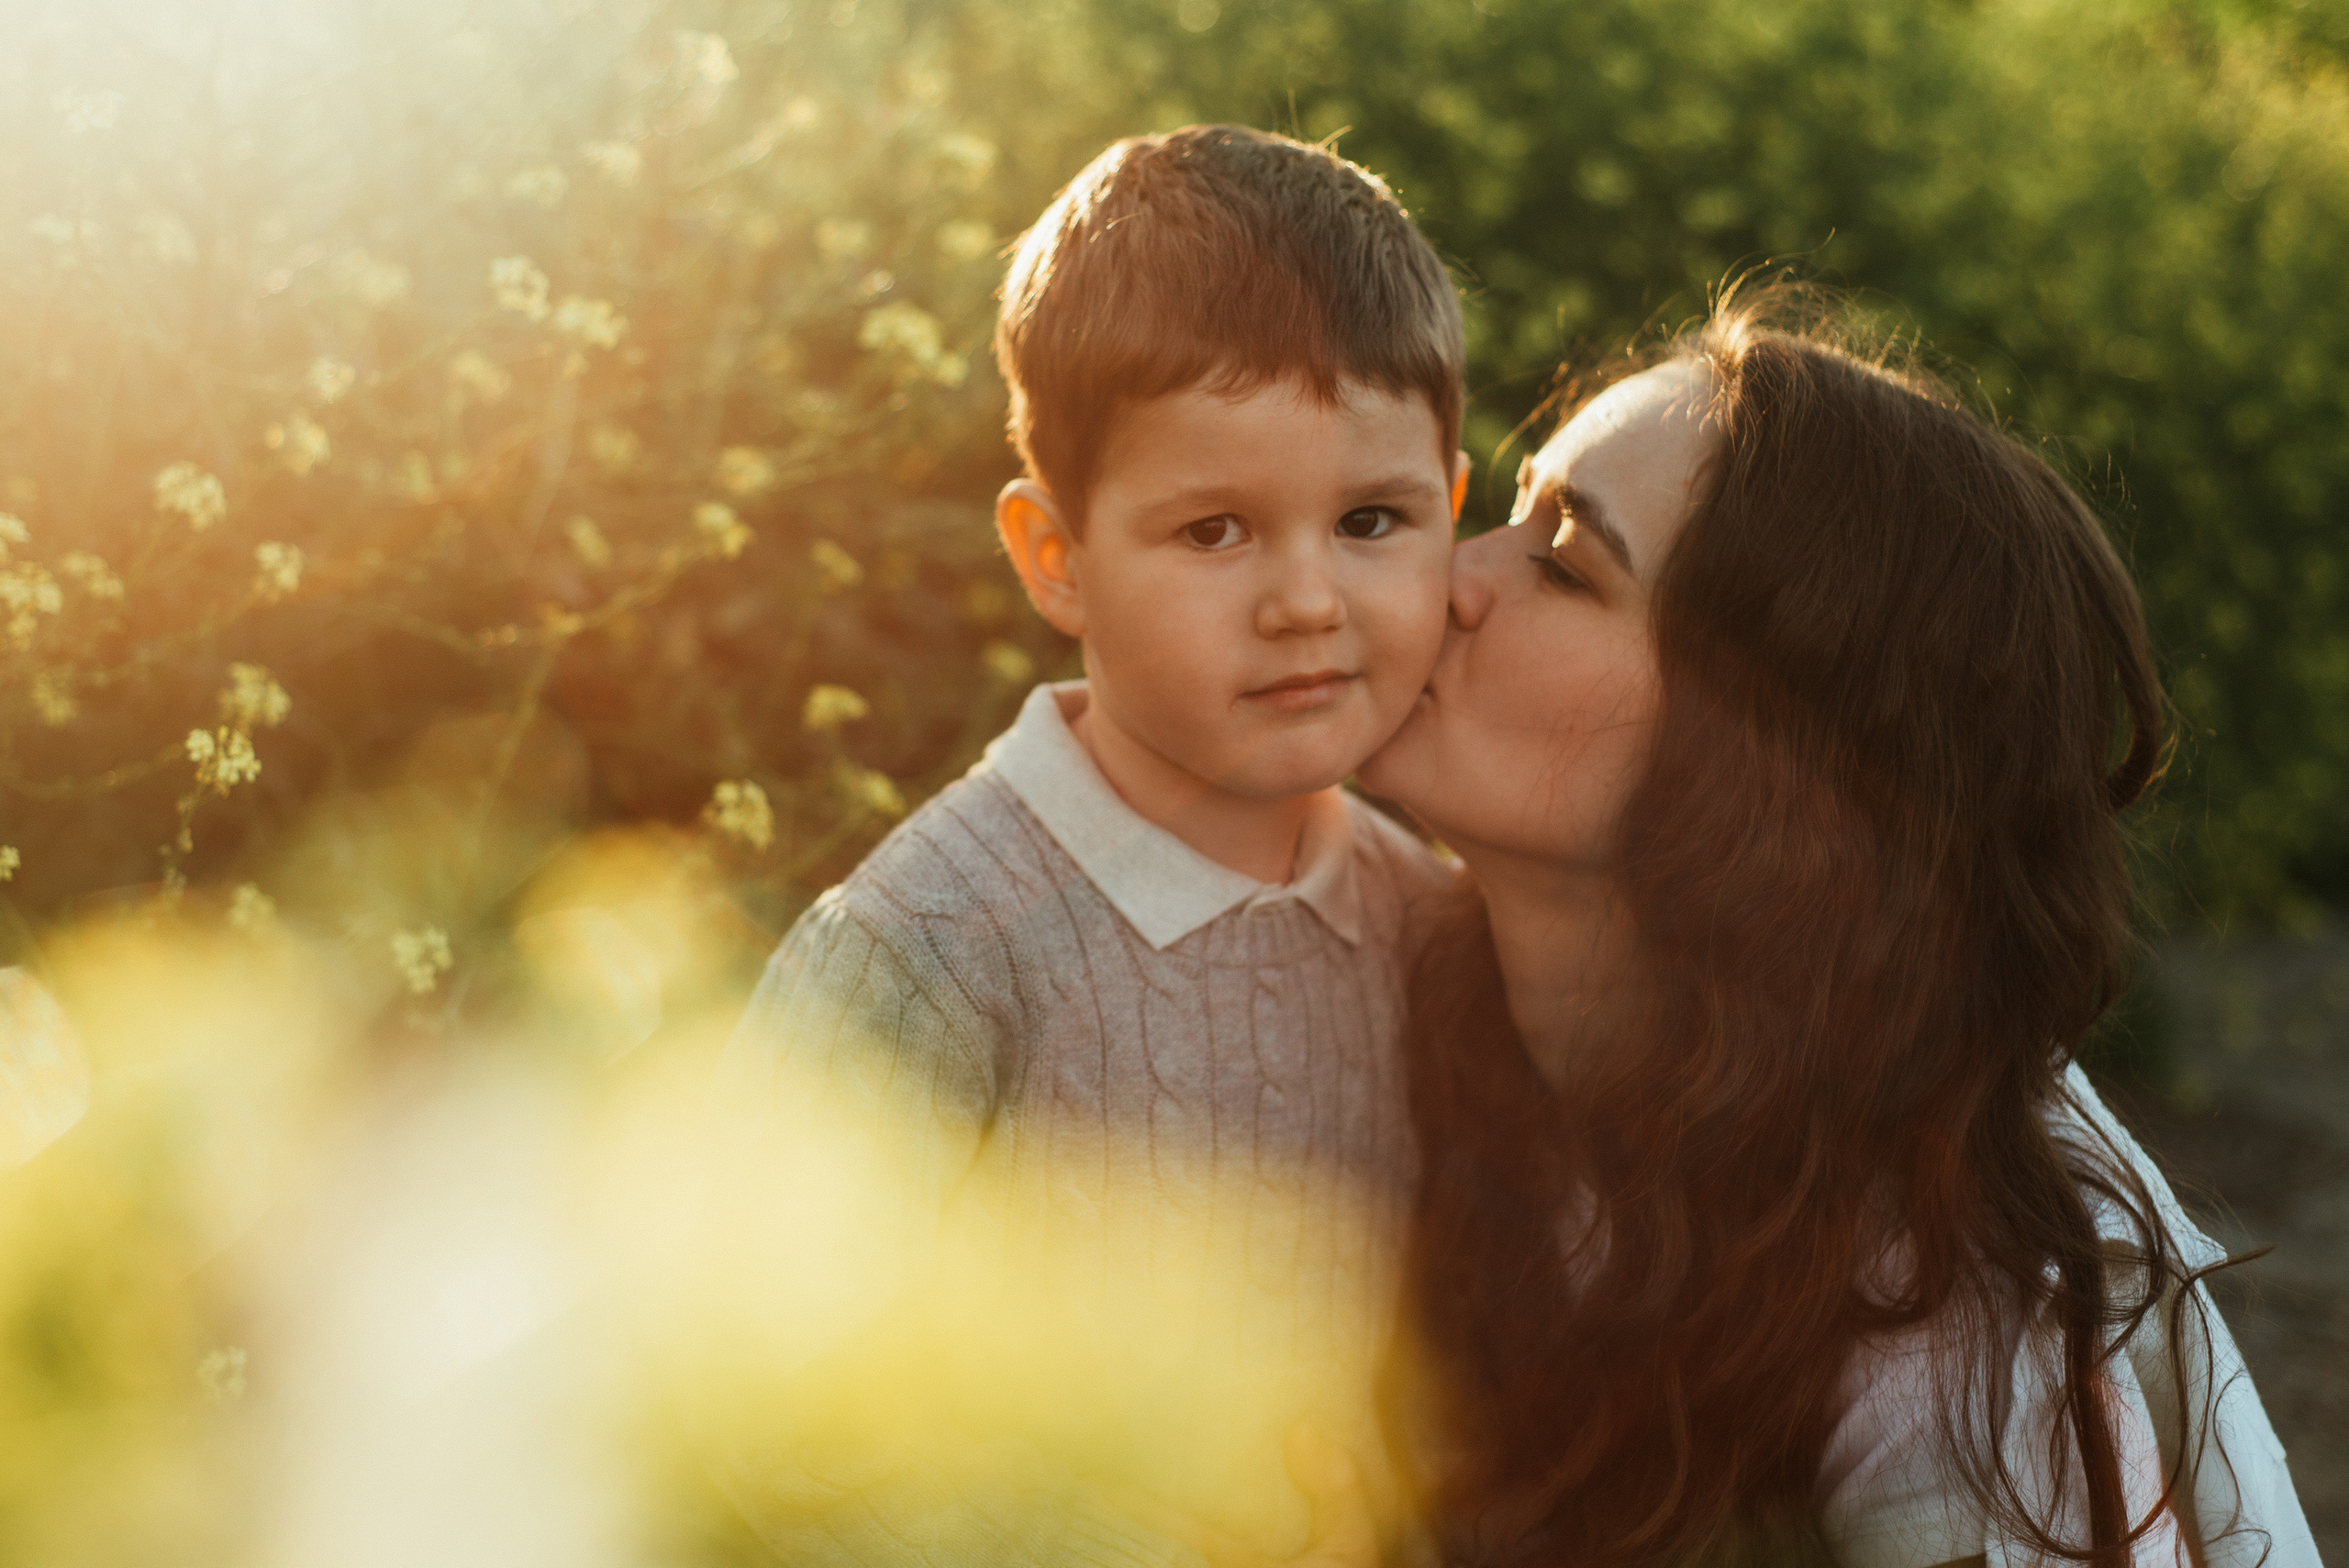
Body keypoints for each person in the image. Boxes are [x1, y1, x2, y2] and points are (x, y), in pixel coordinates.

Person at [1358, 288, 2325, 1568]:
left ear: (1765, 765)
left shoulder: (1955, 1318)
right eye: (1510, 505)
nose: (1448, 573)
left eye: (1562, 562)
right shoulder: (1352, 975)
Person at [723, 125, 1465, 1562]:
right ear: (1055, 554)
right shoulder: (929, 946)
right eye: (1215, 532)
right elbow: (763, 1421)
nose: (1308, 598)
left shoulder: (1423, 916)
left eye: (1372, 518)